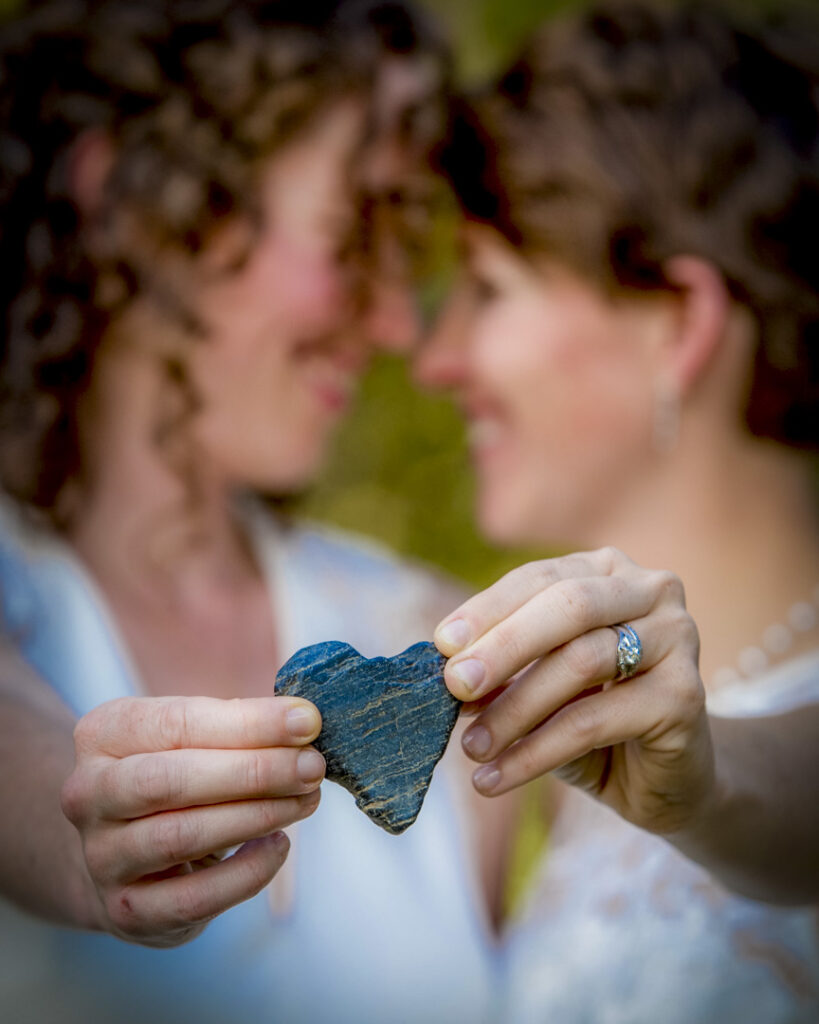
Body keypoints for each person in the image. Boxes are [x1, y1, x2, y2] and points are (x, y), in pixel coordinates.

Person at [0, 2, 506, 1022]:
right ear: (140, 208)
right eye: (358, 228)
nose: (398, 323)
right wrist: (88, 835)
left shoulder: (433, 638)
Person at [416, 0, 819, 1019]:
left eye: (490, 287)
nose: (435, 359)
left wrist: (711, 788)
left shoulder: (750, 766)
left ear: (678, 324)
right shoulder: (550, 763)